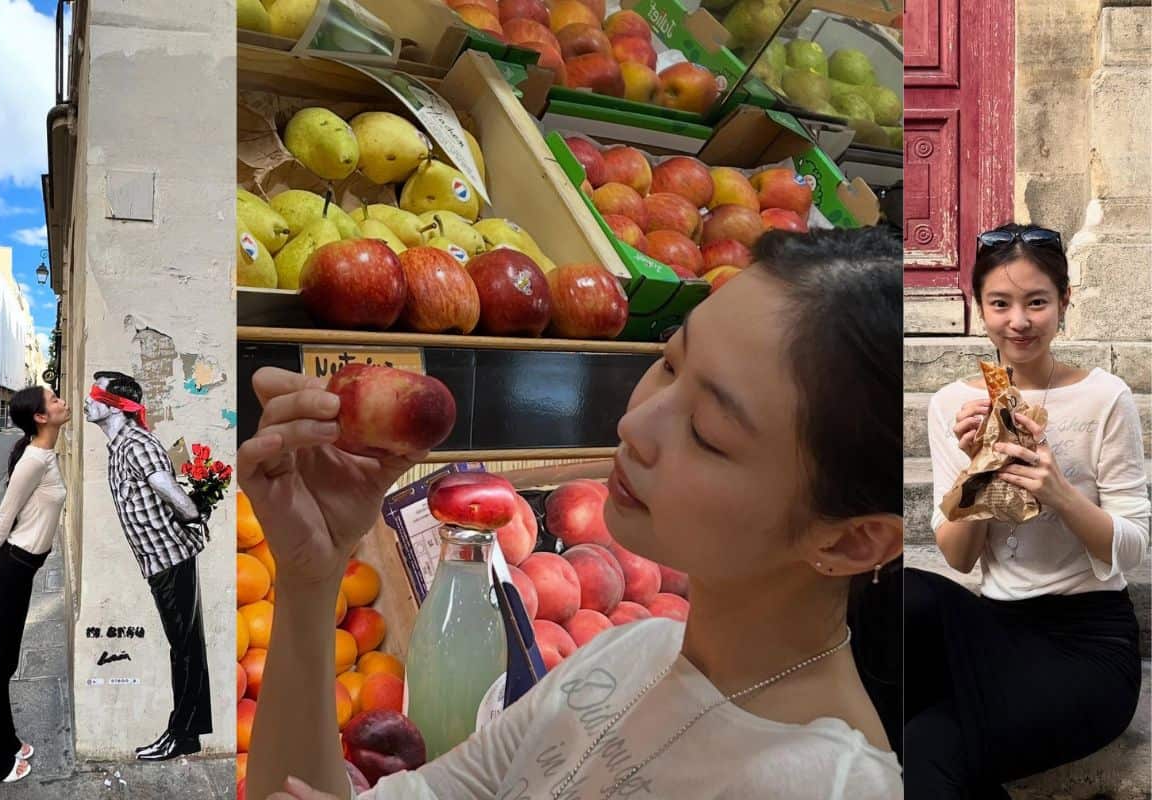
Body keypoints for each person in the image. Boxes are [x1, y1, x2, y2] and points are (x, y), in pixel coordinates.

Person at [240, 228, 905, 800]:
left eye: (706, 431)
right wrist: (310, 575)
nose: (635, 422)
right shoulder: (631, 656)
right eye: (670, 364)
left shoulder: (830, 785)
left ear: (851, 543)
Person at [906, 223, 1150, 798]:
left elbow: (1132, 547)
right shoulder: (951, 406)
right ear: (979, 308)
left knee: (923, 747)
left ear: (1065, 303)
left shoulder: (1104, 397)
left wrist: (1059, 491)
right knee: (902, 592)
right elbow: (959, 561)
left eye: (1037, 302)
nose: (1019, 321)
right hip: (995, 628)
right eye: (1001, 303)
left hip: (1087, 645)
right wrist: (979, 474)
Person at [84, 370, 213, 760]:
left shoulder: (136, 444)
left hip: (170, 558)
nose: (88, 402)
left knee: (184, 649)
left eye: (96, 395)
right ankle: (188, 733)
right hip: (161, 560)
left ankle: (179, 734)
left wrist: (193, 513)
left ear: (117, 406)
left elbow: (165, 486)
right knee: (188, 645)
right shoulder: (122, 445)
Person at [0, 386, 69, 783]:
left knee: (5, 664)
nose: (62, 401)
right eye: (54, 399)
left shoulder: (45, 453)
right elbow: (3, 517)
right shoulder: (33, 461)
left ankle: (6, 739)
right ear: (41, 417)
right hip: (9, 571)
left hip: (21, 571)